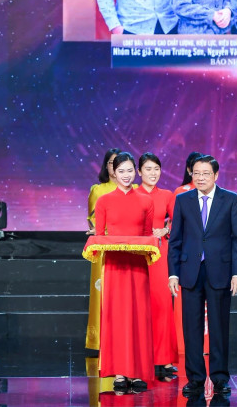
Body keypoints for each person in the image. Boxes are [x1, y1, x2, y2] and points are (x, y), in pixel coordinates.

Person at [168, 155, 237, 397]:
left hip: (220, 271)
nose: (200, 178)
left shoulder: (231, 199)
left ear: (216, 175)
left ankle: (220, 377)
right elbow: (175, 240)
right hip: (190, 271)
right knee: (191, 327)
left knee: (219, 326)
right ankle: (195, 378)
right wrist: (173, 274)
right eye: (197, 173)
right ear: (191, 174)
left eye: (206, 173)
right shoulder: (183, 200)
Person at [94, 152, 156, 391]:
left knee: (139, 316)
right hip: (114, 267)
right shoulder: (104, 201)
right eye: (121, 171)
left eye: (130, 170)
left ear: (136, 172)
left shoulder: (146, 201)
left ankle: (139, 372)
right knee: (117, 317)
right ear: (114, 172)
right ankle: (120, 372)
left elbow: (148, 237)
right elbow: (99, 237)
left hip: (138, 266)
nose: (126, 175)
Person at [135, 152, 178, 380]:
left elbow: (180, 221)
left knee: (162, 305)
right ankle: (140, 358)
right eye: (148, 169)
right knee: (140, 307)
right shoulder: (132, 194)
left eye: (157, 169)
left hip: (160, 255)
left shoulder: (167, 195)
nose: (153, 173)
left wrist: (166, 230)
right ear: (139, 171)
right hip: (137, 255)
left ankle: (163, 358)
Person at [85, 148, 121, 352]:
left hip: (128, 248)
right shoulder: (98, 190)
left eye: (120, 163)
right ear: (106, 167)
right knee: (102, 294)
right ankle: (101, 341)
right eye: (111, 163)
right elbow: (92, 221)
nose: (116, 167)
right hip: (104, 249)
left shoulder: (135, 189)